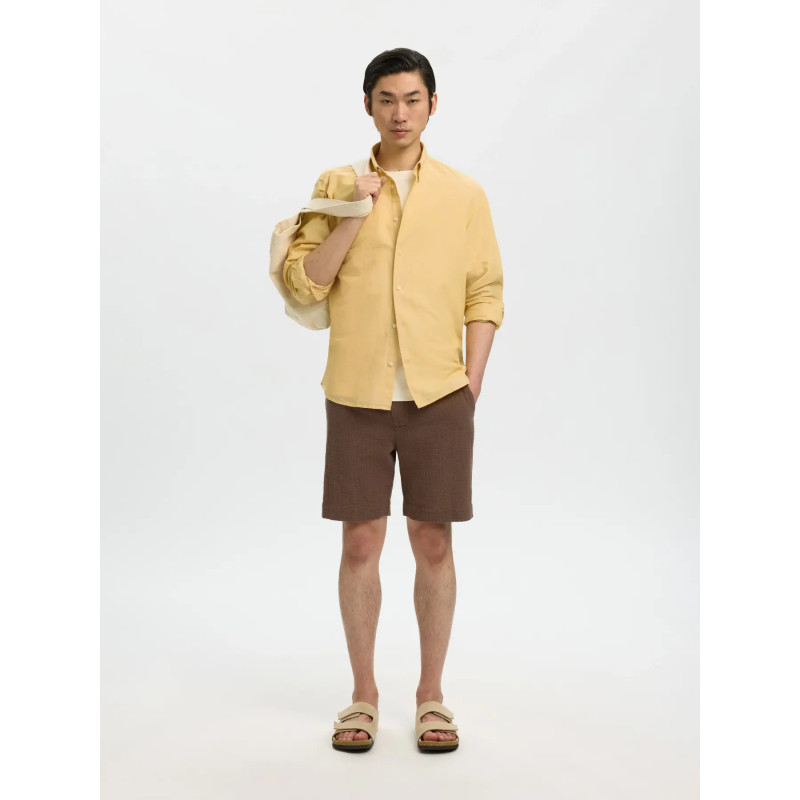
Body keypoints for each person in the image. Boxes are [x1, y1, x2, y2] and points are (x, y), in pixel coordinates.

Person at [283, 48, 504, 752]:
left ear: (432, 105)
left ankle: (431, 696)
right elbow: (305, 282)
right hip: (357, 392)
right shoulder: (337, 184)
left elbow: (485, 291)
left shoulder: (464, 195)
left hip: (440, 394)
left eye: (412, 99)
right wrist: (355, 211)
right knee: (360, 542)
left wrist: (470, 384)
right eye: (386, 99)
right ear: (368, 106)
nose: (400, 113)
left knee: (433, 541)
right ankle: (363, 696)